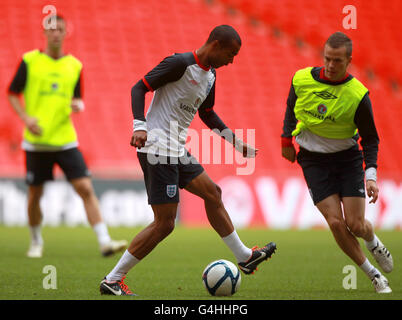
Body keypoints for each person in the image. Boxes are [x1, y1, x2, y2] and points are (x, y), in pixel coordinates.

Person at [100, 25, 277, 296]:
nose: (232, 61)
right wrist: (139, 125)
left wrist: (234, 141)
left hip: (177, 149)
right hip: (157, 148)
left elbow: (207, 114)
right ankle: (113, 279)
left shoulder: (211, 76)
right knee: (165, 224)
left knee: (213, 193)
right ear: (216, 44)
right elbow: (139, 88)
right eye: (231, 54)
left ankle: (245, 257)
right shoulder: (179, 64)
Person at [281, 31, 393, 293]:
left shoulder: (357, 96)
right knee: (334, 222)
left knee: (356, 225)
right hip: (312, 160)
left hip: (347, 159)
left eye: (337, 61)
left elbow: (371, 139)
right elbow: (290, 107)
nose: (331, 66)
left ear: (349, 61)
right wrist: (286, 140)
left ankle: (372, 240)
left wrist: (372, 176)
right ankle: (374, 275)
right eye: (327, 59)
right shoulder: (301, 79)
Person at [7, 15, 127, 258]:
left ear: (65, 32)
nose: (55, 33)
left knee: (84, 186)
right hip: (37, 142)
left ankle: (105, 241)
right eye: (51, 29)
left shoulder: (75, 65)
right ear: (44, 32)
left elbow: (77, 99)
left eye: (59, 29)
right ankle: (36, 240)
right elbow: (12, 93)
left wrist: (78, 105)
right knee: (35, 194)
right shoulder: (30, 61)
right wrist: (26, 118)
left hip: (65, 139)